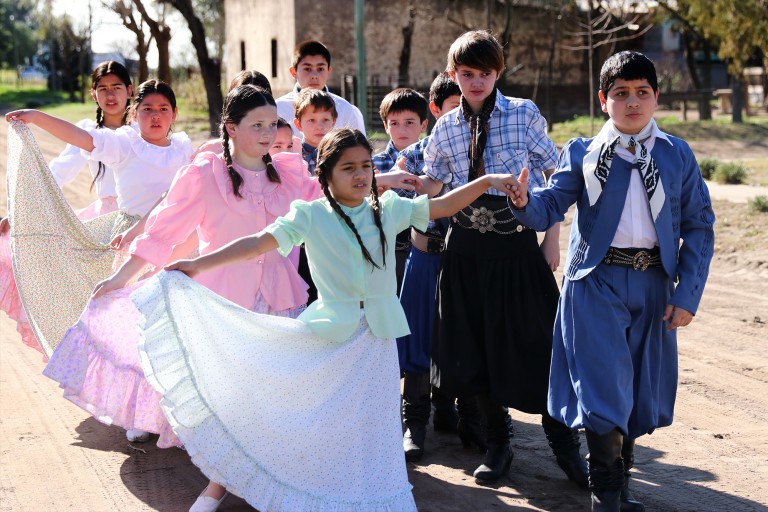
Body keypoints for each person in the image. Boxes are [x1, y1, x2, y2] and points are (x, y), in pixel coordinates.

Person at [131, 128, 520, 512]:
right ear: (326, 175)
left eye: (365, 165)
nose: (360, 174)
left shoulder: (389, 208)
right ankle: (243, 489)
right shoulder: (311, 214)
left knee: (369, 430)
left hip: (378, 340)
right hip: (328, 337)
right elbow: (257, 243)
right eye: (348, 168)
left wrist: (487, 180)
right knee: (299, 420)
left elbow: (444, 206)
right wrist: (198, 264)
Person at [41, 86, 326, 507]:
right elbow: (164, 233)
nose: (268, 134)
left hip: (281, 303)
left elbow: (332, 202)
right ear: (231, 128)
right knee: (228, 401)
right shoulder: (204, 174)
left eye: (272, 124)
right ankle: (219, 485)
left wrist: (386, 185)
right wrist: (121, 277)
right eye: (257, 125)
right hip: (222, 306)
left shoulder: (289, 173)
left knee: (270, 397)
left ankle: (258, 483)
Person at [505, 51, 715, 512]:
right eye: (621, 93)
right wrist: (523, 201)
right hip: (594, 283)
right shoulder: (583, 152)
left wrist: (687, 294)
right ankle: (605, 497)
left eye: (642, 92)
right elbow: (549, 205)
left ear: (657, 97)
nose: (632, 102)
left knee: (636, 392)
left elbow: (700, 225)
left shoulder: (677, 154)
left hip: (654, 285)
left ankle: (621, 488)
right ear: (603, 100)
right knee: (604, 388)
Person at [417, 30, 587, 485]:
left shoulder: (523, 113)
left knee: (540, 346)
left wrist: (551, 236)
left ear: (499, 73)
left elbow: (555, 176)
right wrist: (397, 183)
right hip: (465, 252)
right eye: (466, 73)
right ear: (452, 74)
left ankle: (566, 447)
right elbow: (434, 184)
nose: (476, 82)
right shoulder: (445, 127)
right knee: (476, 349)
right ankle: (498, 444)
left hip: (517, 247)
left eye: (485, 73)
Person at [4, 79, 193, 357]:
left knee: (176, 320)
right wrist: (37, 117)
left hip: (180, 239)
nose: (156, 116)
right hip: (133, 242)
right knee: (134, 318)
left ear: (174, 113)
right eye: (147, 109)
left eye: (163, 109)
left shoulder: (183, 147)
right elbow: (82, 137)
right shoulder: (124, 144)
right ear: (134, 113)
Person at [0, 60, 133, 355]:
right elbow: (59, 172)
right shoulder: (86, 132)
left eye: (117, 87)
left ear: (130, 90)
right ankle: (92, 353)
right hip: (105, 220)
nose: (110, 95)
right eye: (103, 88)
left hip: (141, 218)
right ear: (93, 94)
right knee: (93, 288)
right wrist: (18, 210)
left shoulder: (143, 128)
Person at [393, 72, 462, 461]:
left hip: (465, 259)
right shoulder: (416, 154)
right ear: (435, 111)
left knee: (461, 335)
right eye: (454, 107)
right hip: (424, 256)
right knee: (418, 337)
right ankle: (414, 421)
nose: (463, 113)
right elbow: (401, 207)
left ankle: (456, 410)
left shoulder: (484, 148)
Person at [372, 87, 429, 288]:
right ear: (385, 126)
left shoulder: (433, 161)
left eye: (409, 122)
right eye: (394, 123)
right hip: (384, 248)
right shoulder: (373, 164)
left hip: (425, 246)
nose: (401, 129)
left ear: (423, 124)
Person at [275, 40, 366, 137]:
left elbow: (359, 145)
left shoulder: (346, 110)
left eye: (320, 69)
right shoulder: (278, 110)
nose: (314, 75)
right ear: (294, 72)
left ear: (328, 71)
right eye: (307, 69)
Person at [293, 88, 338, 176]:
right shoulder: (293, 155)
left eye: (325, 120)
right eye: (311, 120)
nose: (319, 127)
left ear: (333, 122)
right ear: (298, 124)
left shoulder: (340, 155)